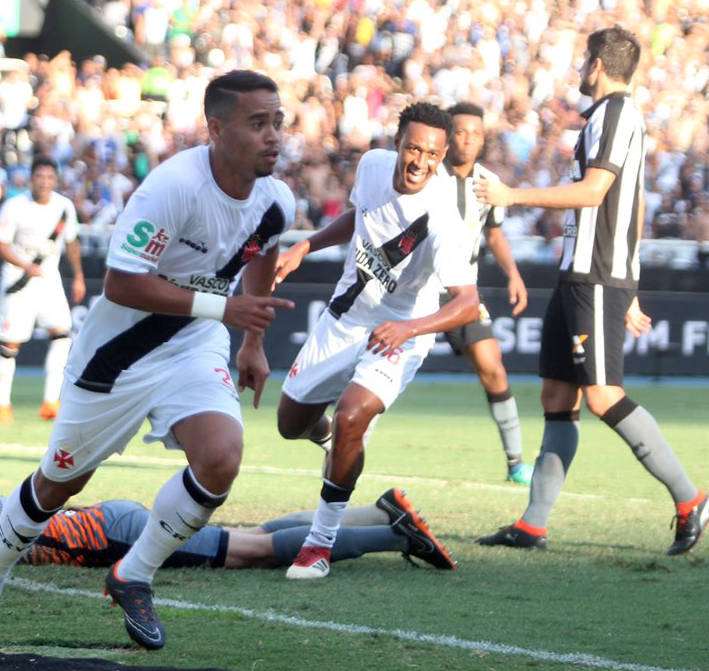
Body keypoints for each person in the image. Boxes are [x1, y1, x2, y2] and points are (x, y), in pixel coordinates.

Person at [0, 69, 297, 667]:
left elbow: (261, 253)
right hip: (117, 357)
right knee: (60, 485)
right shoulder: (173, 187)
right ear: (216, 128)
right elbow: (122, 282)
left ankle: (133, 574)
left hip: (193, 344)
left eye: (277, 122)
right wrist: (224, 306)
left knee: (220, 457)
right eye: (257, 123)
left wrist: (251, 343)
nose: (273, 137)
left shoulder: (276, 199)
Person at [473, 26, 707, 554]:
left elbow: (597, 191)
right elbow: (634, 200)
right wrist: (633, 279)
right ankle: (533, 524)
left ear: (598, 63)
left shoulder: (617, 112)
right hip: (583, 272)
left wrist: (513, 194)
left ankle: (691, 498)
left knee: (603, 396)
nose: (581, 68)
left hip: (596, 274)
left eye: (585, 59)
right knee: (558, 395)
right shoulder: (607, 116)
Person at [271, 102, 479, 580]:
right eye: (412, 148)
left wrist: (409, 329)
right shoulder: (372, 166)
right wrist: (307, 244)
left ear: (443, 156)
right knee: (289, 422)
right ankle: (335, 442)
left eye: (431, 154)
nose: (419, 162)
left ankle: (318, 546)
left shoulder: (445, 217)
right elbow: (358, 216)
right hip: (345, 318)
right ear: (397, 143)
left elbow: (467, 302)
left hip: (402, 331)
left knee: (351, 416)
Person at [0, 470, 455, 580]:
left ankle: (395, 532)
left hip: (117, 535)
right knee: (255, 536)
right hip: (111, 524)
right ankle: (378, 511)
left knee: (258, 553)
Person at [437, 102, 531, 485]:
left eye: (476, 133)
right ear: (447, 134)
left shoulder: (488, 182)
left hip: (463, 294)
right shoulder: (428, 175)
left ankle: (516, 464)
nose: (468, 139)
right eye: (460, 131)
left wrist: (514, 274)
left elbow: (493, 234)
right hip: (417, 291)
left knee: (493, 367)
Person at [0, 154, 85, 423]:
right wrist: (24, 264)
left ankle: (50, 401)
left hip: (49, 280)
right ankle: (2, 404)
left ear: (56, 180)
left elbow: (72, 243)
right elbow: (0, 245)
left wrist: (78, 276)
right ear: (31, 179)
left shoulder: (64, 206)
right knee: (10, 344)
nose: (44, 182)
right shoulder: (14, 206)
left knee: (62, 335)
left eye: (49, 177)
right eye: (39, 177)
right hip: (18, 281)